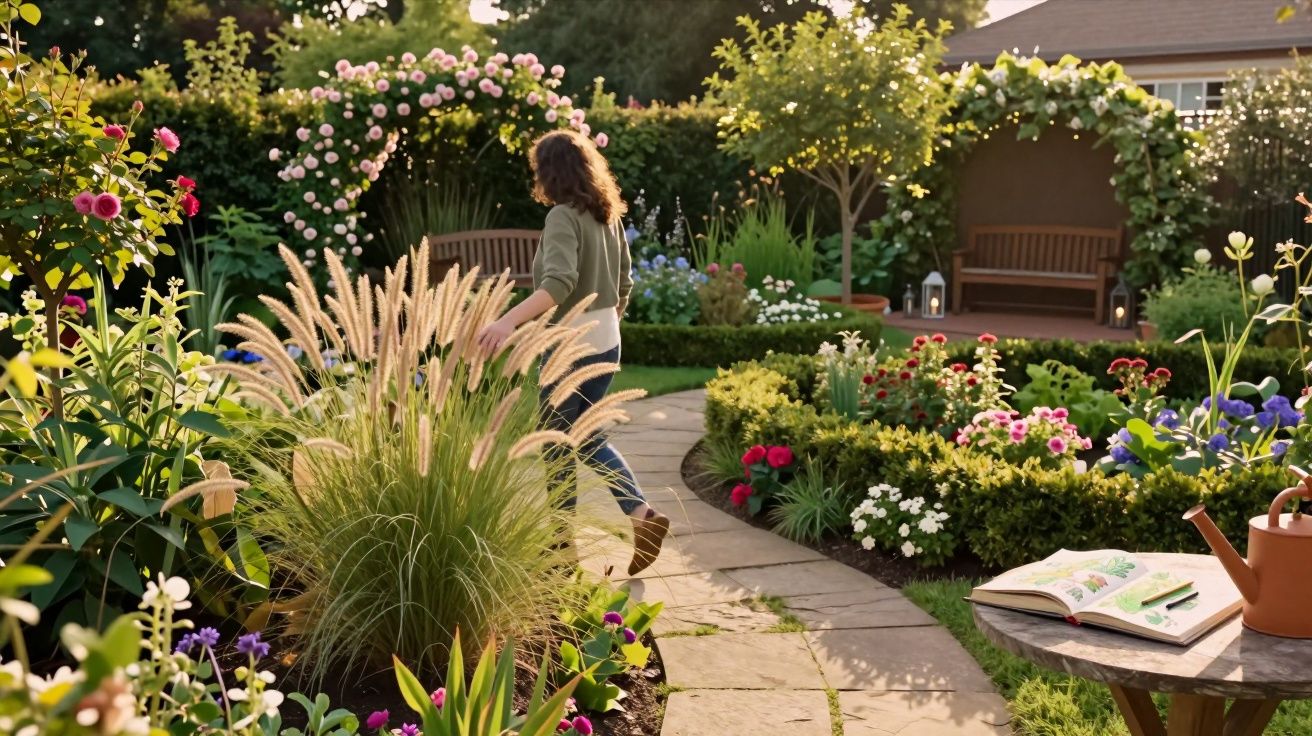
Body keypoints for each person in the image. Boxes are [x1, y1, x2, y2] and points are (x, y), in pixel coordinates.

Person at [476, 129, 669, 576]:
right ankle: (635, 520)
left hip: (572, 346)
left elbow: (557, 285)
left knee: (557, 442)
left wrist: (506, 321)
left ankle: (564, 545)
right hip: (607, 340)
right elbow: (625, 283)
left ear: (550, 172)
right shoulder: (608, 215)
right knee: (583, 437)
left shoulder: (563, 217)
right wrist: (606, 321)